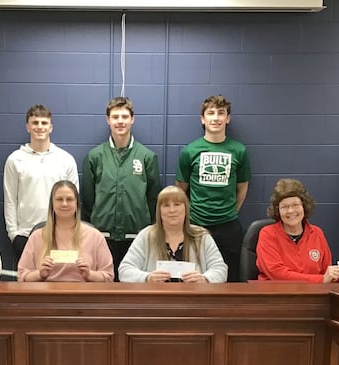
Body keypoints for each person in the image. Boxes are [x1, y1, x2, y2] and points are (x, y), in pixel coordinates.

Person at [82, 96, 161, 280]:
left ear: (132, 119)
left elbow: (153, 198)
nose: (120, 121)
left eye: (124, 117)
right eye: (115, 117)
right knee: (104, 287)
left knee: (133, 288)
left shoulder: (147, 157)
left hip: (137, 237)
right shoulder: (94, 156)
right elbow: (88, 199)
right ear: (107, 120)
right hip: (102, 236)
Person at [175, 95, 250, 282]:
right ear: (203, 119)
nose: (216, 118)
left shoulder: (239, 150)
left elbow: (242, 188)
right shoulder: (190, 151)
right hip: (196, 224)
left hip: (228, 225)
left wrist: (230, 211)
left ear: (227, 118)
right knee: (193, 276)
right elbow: (180, 190)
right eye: (211, 113)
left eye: (221, 113)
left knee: (229, 277)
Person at [4, 105, 78, 265]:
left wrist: (72, 231)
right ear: (28, 127)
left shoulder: (65, 159)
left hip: (59, 234)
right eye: (35, 122)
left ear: (51, 127)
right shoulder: (15, 160)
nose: (39, 127)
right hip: (26, 235)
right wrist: (14, 235)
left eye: (44, 123)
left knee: (59, 278)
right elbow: (10, 200)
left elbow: (74, 201)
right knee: (29, 279)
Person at [256, 179, 339, 284]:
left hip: (314, 293)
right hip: (277, 293)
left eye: (295, 205)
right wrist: (321, 280)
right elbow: (276, 273)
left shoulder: (317, 233)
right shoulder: (267, 234)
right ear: (278, 210)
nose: (290, 211)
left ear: (304, 206)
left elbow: (326, 273)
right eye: (284, 207)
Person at [119, 186, 227, 283]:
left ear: (186, 208)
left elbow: (221, 270)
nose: (172, 210)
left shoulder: (201, 236)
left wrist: (204, 279)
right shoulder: (146, 236)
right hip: (156, 297)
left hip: (193, 297)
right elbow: (125, 270)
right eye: (166, 205)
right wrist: (147, 278)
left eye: (177, 204)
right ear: (159, 211)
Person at [18, 180, 114, 282]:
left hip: (83, 291)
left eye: (69, 199)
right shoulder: (36, 237)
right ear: (52, 204)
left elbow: (109, 277)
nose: (64, 204)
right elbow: (22, 276)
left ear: (77, 204)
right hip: (47, 291)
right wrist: (39, 274)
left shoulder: (95, 237)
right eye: (59, 199)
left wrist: (90, 275)